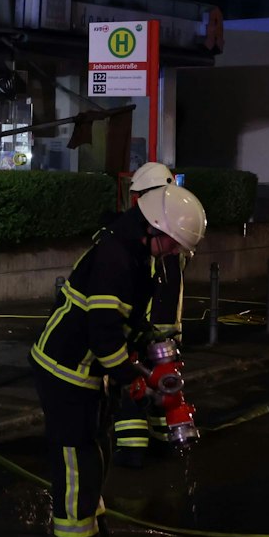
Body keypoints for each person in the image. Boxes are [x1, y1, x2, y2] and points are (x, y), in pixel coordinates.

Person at [32, 180, 208, 537]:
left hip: (83, 374)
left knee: (94, 461)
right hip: (65, 373)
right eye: (174, 244)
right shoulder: (116, 256)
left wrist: (147, 338)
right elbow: (104, 333)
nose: (175, 253)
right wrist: (134, 378)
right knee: (77, 471)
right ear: (155, 227)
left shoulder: (135, 250)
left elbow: (126, 319)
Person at [106, 163, 200, 466]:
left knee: (131, 388)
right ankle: (164, 442)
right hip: (168, 330)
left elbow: (142, 289)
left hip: (146, 331)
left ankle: (133, 450)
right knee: (164, 387)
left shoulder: (150, 243)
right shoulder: (175, 241)